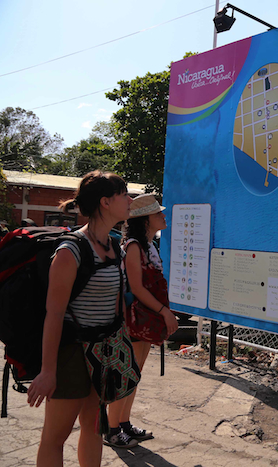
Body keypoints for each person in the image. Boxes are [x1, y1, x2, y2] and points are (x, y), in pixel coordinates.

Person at [26, 170, 133, 464]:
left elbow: (116, 305)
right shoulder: (70, 250)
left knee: (94, 428)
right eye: (124, 194)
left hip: (103, 354)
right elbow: (54, 314)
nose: (130, 200)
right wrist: (48, 371)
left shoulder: (115, 247)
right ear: (105, 202)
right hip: (71, 354)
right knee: (55, 437)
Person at [105, 194, 177, 447]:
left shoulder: (147, 245)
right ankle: (112, 430)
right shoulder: (134, 246)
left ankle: (124, 424)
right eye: (158, 213)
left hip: (144, 318)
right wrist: (165, 311)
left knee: (134, 374)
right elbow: (136, 287)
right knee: (126, 374)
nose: (163, 216)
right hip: (133, 319)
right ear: (145, 219)